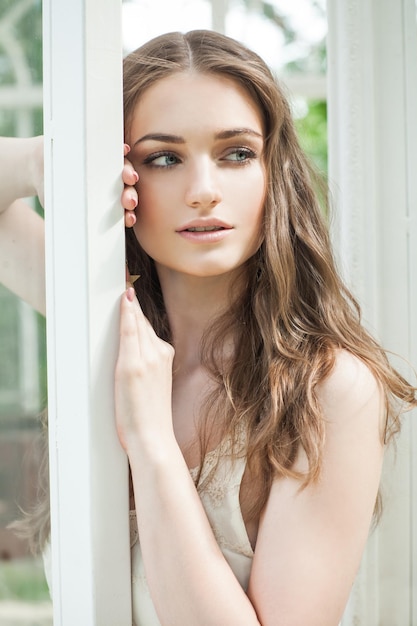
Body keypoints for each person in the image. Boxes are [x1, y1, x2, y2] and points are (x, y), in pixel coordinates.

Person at [0, 29, 416, 626]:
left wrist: (151, 443)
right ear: (121, 175)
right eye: (163, 158)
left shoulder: (328, 390)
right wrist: (50, 159)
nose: (203, 192)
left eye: (236, 153)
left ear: (274, 174)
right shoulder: (103, 324)